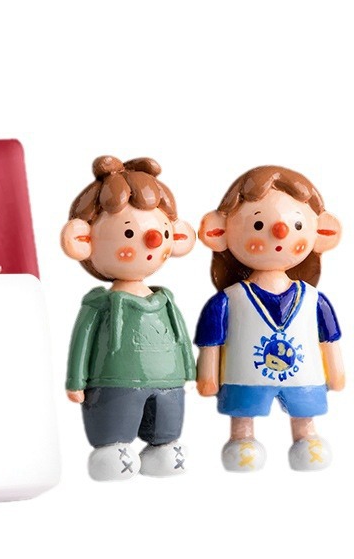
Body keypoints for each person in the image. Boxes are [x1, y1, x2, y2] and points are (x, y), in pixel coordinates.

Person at [194, 165, 344, 471]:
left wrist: (336, 372)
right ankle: (242, 438)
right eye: (259, 224)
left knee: (304, 411)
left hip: (304, 378)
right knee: (243, 410)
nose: (280, 232)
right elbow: (211, 343)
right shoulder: (228, 300)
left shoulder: (313, 299)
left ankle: (306, 436)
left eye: (296, 225)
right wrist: (208, 377)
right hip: (243, 377)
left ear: (323, 232)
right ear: (218, 232)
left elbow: (329, 340)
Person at [62, 156, 196, 481]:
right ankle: (112, 451)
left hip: (168, 381)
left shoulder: (165, 299)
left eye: (159, 231)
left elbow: (180, 337)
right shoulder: (100, 304)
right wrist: (76, 381)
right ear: (82, 240)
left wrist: (188, 371)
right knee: (114, 424)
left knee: (166, 425)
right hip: (113, 380)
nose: (151, 240)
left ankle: (163, 447)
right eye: (128, 232)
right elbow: (82, 342)